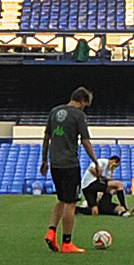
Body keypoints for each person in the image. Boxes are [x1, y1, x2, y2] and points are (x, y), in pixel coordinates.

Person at [41, 87, 96, 253]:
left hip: (55, 163)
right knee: (71, 203)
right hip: (70, 164)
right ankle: (67, 243)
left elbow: (46, 137)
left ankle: (51, 232)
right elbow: (86, 141)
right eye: (85, 104)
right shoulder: (79, 115)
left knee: (61, 200)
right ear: (82, 101)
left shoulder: (54, 112)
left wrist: (44, 160)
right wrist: (95, 161)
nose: (84, 108)